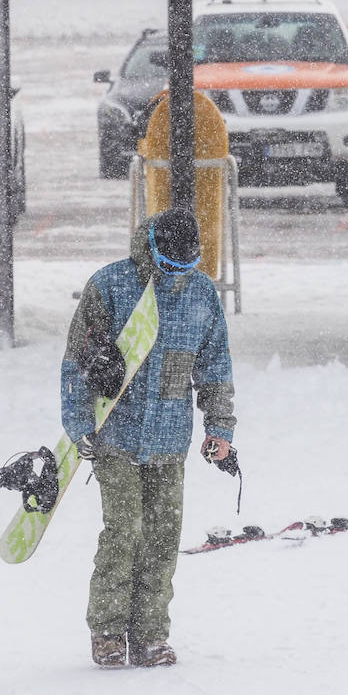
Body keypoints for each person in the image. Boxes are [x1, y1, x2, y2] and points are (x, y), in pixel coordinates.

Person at [61, 208, 236, 668]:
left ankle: (150, 634)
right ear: (153, 247)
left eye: (186, 266)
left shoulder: (201, 295)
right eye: (168, 265)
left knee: (162, 536)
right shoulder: (110, 285)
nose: (176, 275)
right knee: (125, 531)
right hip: (116, 437)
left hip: (170, 440)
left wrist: (220, 427)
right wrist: (79, 421)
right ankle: (107, 631)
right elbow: (74, 360)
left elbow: (215, 366)